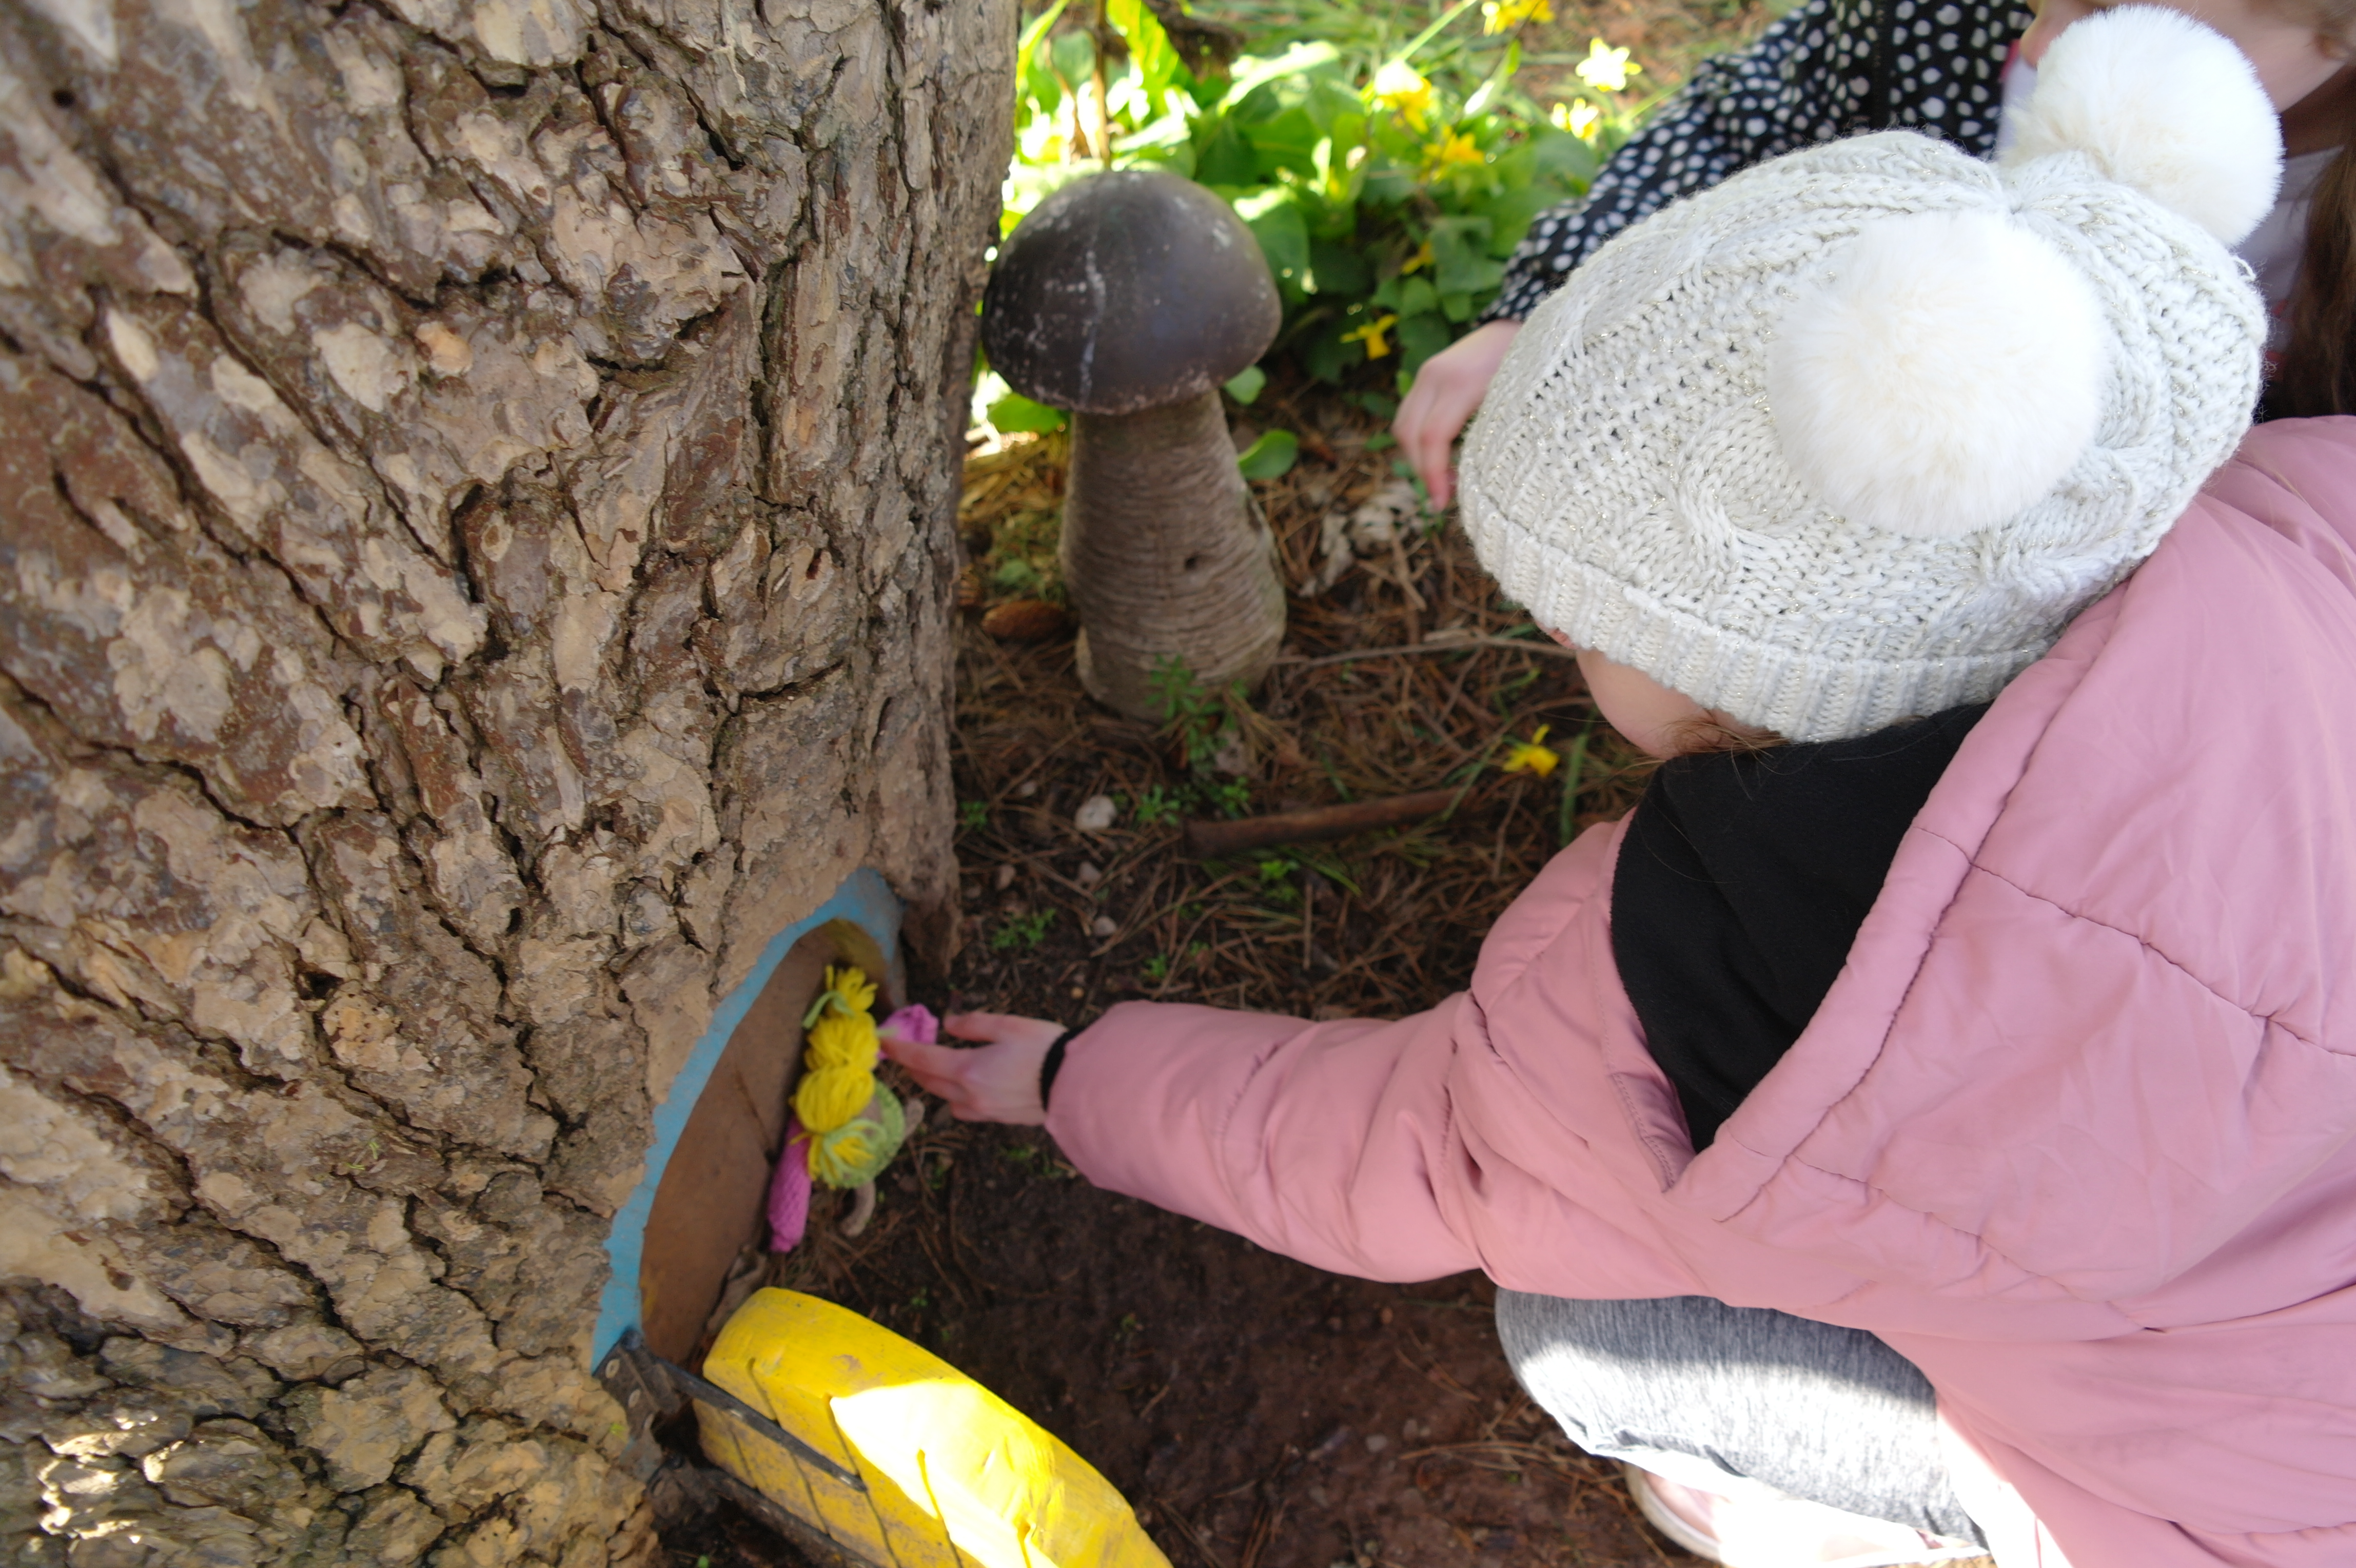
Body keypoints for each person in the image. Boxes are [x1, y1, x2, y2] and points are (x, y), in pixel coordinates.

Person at [890, 12, 2356, 1566]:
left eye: (1589, 620)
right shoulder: (2315, 509)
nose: (1558, 641)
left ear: (1755, 664)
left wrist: (1070, 1082)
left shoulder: (1694, 975)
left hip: (2246, 1518)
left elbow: (1400, 1150)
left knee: (1576, 1332)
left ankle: (1871, 1519)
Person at [1396, 0, 2356, 509]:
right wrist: (1552, 302)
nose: (2041, 36)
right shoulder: (1939, 21)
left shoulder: (2326, 226)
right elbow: (1739, 127)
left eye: (2108, 4)